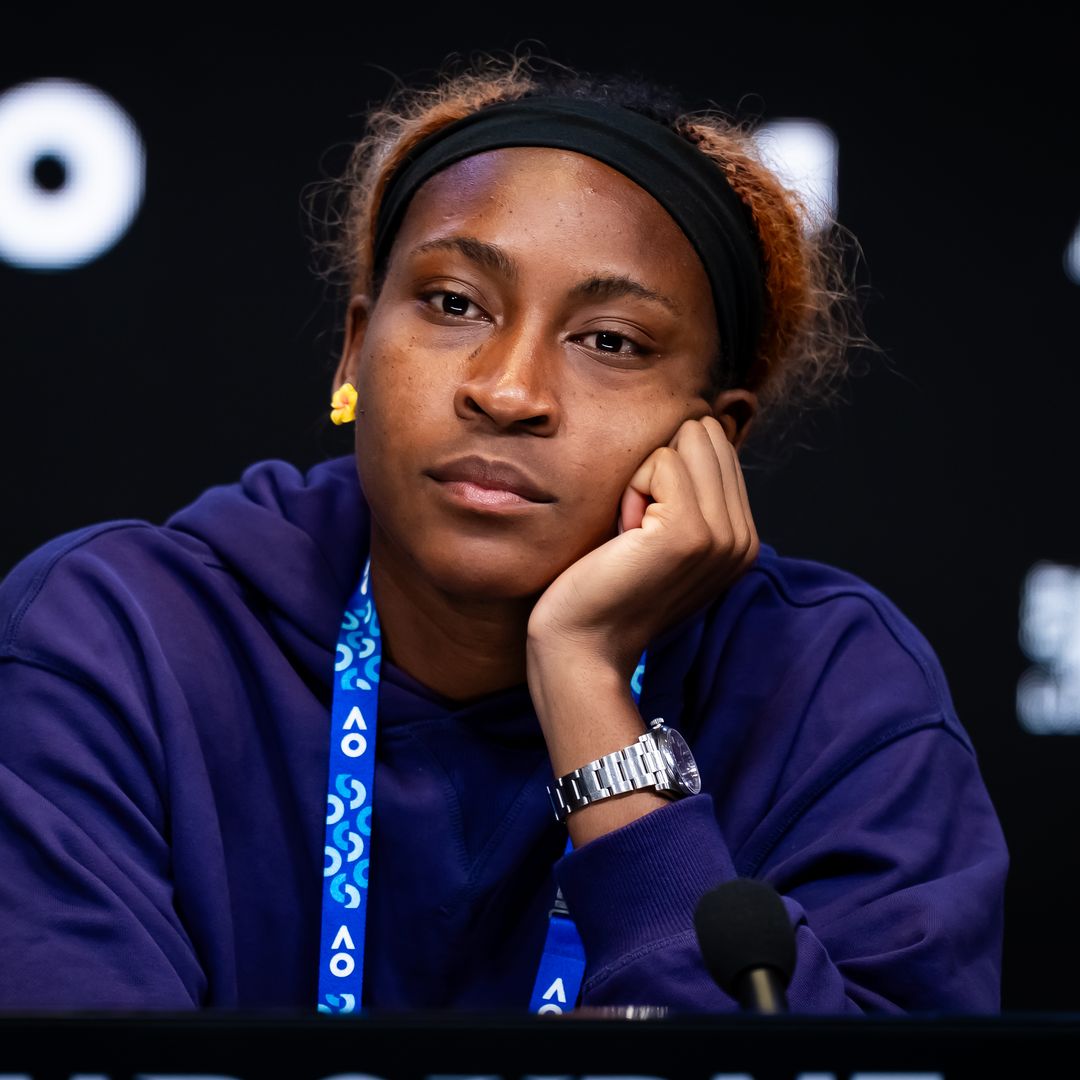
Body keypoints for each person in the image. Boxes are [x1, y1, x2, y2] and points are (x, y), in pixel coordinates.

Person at [0, 57, 1007, 1013]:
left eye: (609, 341)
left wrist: (586, 684)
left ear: (717, 432)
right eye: (452, 303)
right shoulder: (116, 640)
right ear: (354, 350)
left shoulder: (834, 692)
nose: (508, 389)